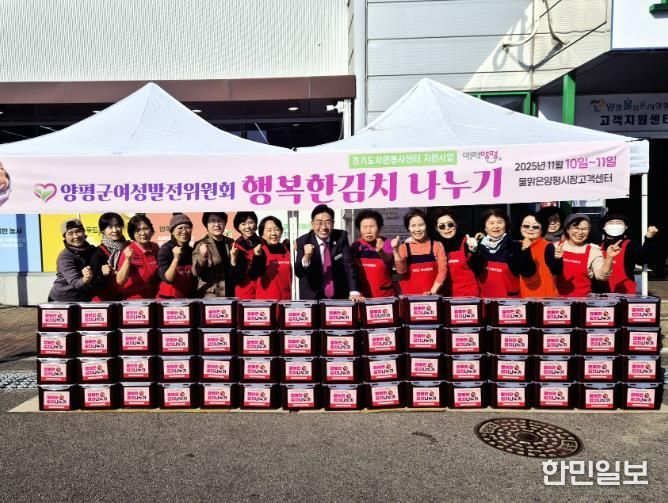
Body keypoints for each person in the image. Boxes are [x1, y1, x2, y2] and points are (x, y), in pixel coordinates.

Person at [294, 204, 361, 300]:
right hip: (312, 297)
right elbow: (299, 273)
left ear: (333, 223)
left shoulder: (341, 237)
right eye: (319, 222)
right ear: (312, 224)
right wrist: (306, 257)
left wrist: (354, 291)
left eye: (328, 222)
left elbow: (349, 266)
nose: (324, 227)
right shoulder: (303, 241)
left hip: (338, 295)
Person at [468, 208, 536, 298]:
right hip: (485, 301)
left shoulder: (515, 246)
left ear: (506, 225)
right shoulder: (479, 246)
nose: (496, 226)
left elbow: (528, 273)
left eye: (500, 222)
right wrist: (473, 251)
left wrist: (525, 252)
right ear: (485, 227)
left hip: (509, 303)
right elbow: (473, 271)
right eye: (491, 223)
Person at [555, 213, 618, 296]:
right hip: (555, 300)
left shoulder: (593, 250)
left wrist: (609, 258)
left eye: (584, 229)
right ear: (567, 229)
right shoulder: (555, 247)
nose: (580, 232)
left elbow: (601, 277)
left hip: (582, 301)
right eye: (576, 228)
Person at [597, 213, 659, 294]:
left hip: (625, 294)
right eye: (611, 222)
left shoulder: (630, 245)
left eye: (619, 223)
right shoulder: (598, 246)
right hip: (601, 294)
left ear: (626, 227)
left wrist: (649, 238)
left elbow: (643, 259)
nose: (615, 225)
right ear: (604, 226)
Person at [393, 209, 447, 295]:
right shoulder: (404, 247)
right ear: (408, 228)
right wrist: (395, 250)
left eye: (421, 225)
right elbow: (401, 271)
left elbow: (442, 271)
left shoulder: (437, 245)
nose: (417, 229)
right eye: (413, 226)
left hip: (433, 296)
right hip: (409, 297)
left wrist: (433, 291)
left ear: (426, 225)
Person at [48, 219, 100, 302]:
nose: (75, 236)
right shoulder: (65, 257)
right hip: (62, 300)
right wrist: (86, 278)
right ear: (65, 237)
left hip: (84, 298)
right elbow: (75, 283)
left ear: (84, 233)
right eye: (70, 233)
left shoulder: (92, 250)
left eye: (78, 231)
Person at [432, 208, 479, 297]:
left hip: (468, 294)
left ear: (456, 224)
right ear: (437, 229)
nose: (447, 228)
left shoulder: (466, 241)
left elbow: (478, 265)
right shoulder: (435, 245)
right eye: (442, 226)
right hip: (445, 296)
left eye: (450, 224)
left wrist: (475, 250)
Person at [350, 210, 395, 298]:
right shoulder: (356, 245)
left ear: (379, 228)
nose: (368, 231)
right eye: (364, 227)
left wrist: (380, 251)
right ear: (359, 229)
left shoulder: (387, 243)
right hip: (362, 297)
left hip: (384, 296)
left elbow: (389, 260)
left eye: (372, 226)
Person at [116, 214, 160, 299]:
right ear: (132, 234)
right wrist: (128, 260)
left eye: (146, 228)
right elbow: (120, 281)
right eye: (138, 230)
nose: (143, 233)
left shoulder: (155, 247)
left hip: (154, 298)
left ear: (151, 230)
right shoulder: (128, 251)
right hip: (135, 300)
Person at [518, 212, 561, 298]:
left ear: (542, 230)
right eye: (526, 226)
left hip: (545, 297)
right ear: (521, 228)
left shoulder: (547, 246)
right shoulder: (516, 245)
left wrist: (558, 260)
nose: (530, 229)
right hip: (522, 297)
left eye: (535, 227)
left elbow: (556, 271)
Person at [192, 212, 234, 298]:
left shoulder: (231, 243)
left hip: (230, 293)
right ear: (206, 225)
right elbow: (195, 272)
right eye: (212, 221)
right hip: (210, 295)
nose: (217, 225)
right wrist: (202, 256)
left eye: (220, 221)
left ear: (225, 223)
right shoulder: (201, 244)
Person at [157, 213, 195, 299]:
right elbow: (168, 278)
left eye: (187, 227)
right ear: (172, 232)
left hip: (187, 298)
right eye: (180, 228)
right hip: (168, 299)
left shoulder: (191, 250)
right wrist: (176, 258)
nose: (184, 231)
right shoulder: (165, 249)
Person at [90, 212, 127, 301]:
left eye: (117, 226)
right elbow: (92, 284)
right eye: (110, 227)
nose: (115, 230)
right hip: (105, 302)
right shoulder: (98, 253)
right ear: (103, 230)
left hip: (126, 298)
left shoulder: (129, 248)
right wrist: (102, 274)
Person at [230, 211, 266, 299]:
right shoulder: (234, 247)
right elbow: (233, 277)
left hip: (264, 289)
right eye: (243, 224)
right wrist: (233, 259)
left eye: (250, 222)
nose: (247, 227)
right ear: (238, 227)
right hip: (244, 292)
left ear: (256, 224)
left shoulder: (264, 243)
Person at [256, 216, 292, 300]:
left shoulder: (288, 249)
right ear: (262, 235)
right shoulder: (260, 251)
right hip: (266, 303)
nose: (273, 233)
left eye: (276, 229)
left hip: (286, 300)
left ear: (281, 231)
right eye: (269, 230)